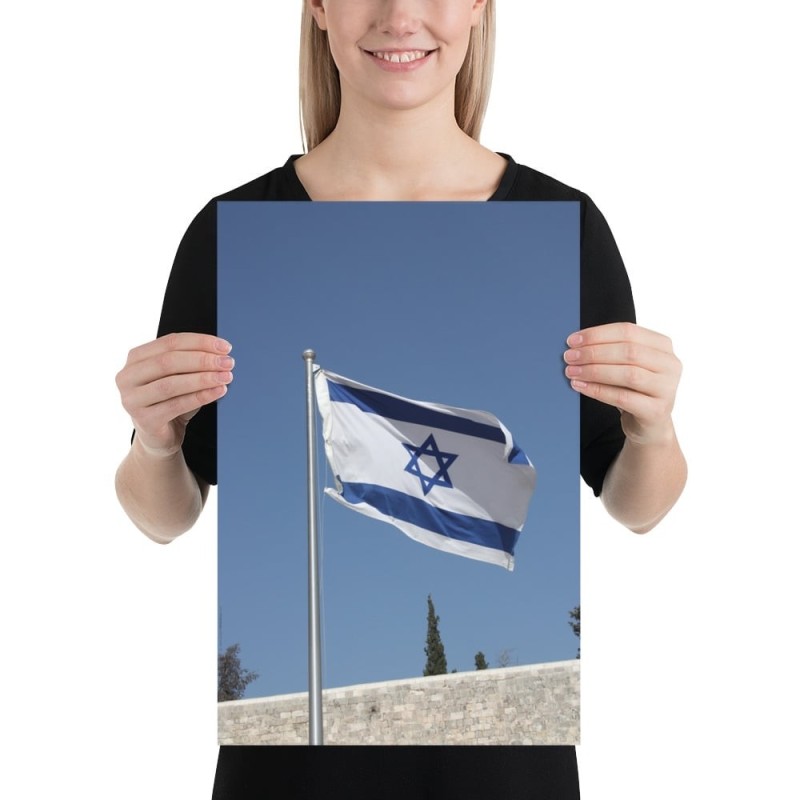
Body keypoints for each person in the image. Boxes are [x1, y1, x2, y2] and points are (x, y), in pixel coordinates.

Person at [115, 1, 687, 797]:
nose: (400, 15)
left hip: (504, 776)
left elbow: (636, 505)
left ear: (481, 7)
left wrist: (653, 429)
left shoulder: (561, 225)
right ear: (318, 7)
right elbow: (166, 515)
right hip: (287, 774)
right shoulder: (232, 231)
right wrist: (154, 441)